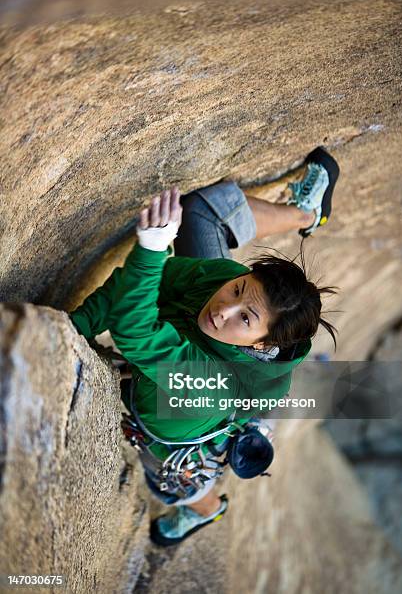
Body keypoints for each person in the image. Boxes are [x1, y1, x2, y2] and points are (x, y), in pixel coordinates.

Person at [69, 146, 339, 546]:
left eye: (244, 318)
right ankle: (308, 214)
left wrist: (152, 249)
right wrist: (76, 328)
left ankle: (208, 510)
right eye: (238, 289)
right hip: (209, 363)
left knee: (178, 479)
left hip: (178, 418)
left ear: (262, 342)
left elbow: (134, 328)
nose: (223, 308)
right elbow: (136, 283)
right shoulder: (227, 285)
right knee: (200, 214)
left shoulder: (210, 384)